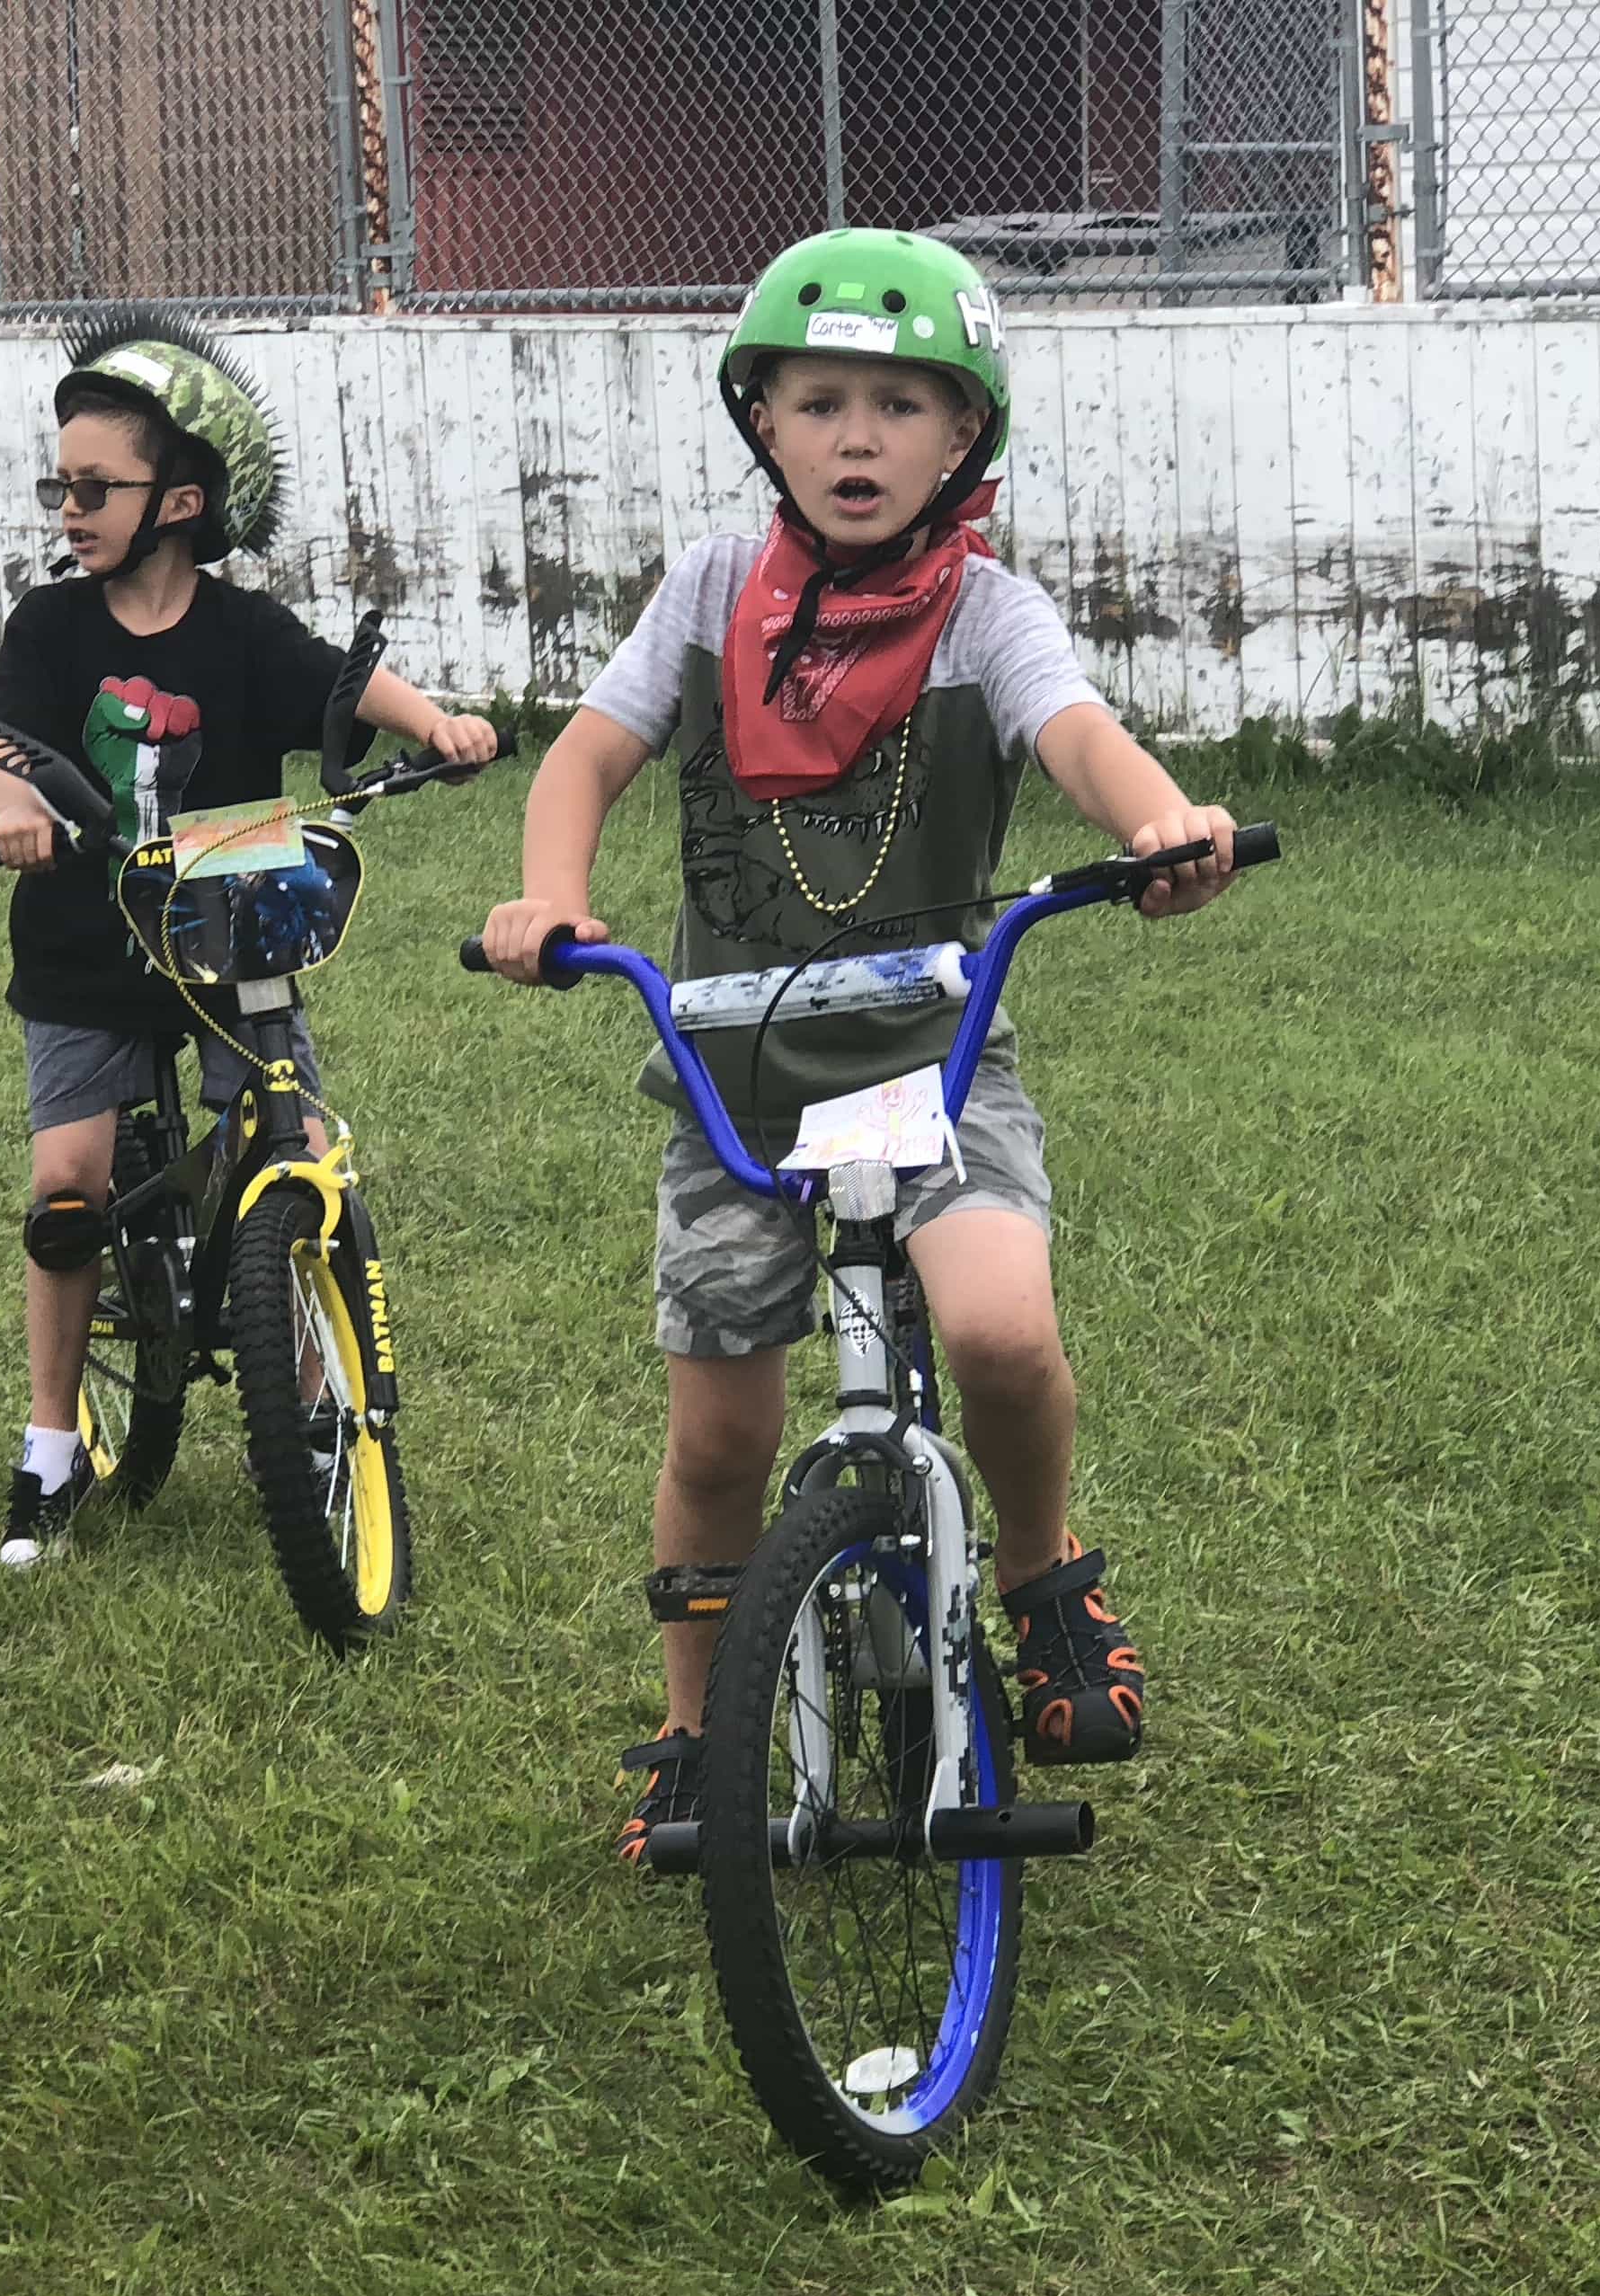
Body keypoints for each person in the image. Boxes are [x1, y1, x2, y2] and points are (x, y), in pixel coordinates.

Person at [474, 226, 1245, 1856]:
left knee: (1000, 1335)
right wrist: (550, 897)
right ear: (762, 418)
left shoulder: (984, 610)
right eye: (816, 400)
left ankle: (1035, 1573)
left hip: (933, 1051)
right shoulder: (704, 593)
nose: (853, 437)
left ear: (963, 438)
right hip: (730, 1063)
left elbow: (1077, 733)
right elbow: (583, 762)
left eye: (900, 405)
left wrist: (1161, 819)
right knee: (720, 1433)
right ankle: (693, 1728)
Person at [0, 318, 496, 1568]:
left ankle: (317, 1388)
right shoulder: (53, 628)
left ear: (185, 499)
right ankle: (53, 1443)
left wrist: (441, 725)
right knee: (67, 1191)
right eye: (61, 485)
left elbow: (340, 685)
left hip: (230, 901)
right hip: (84, 936)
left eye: (95, 486)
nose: (70, 507)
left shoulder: (246, 629)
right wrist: (15, 817)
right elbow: (3, 744)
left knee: (293, 1148)